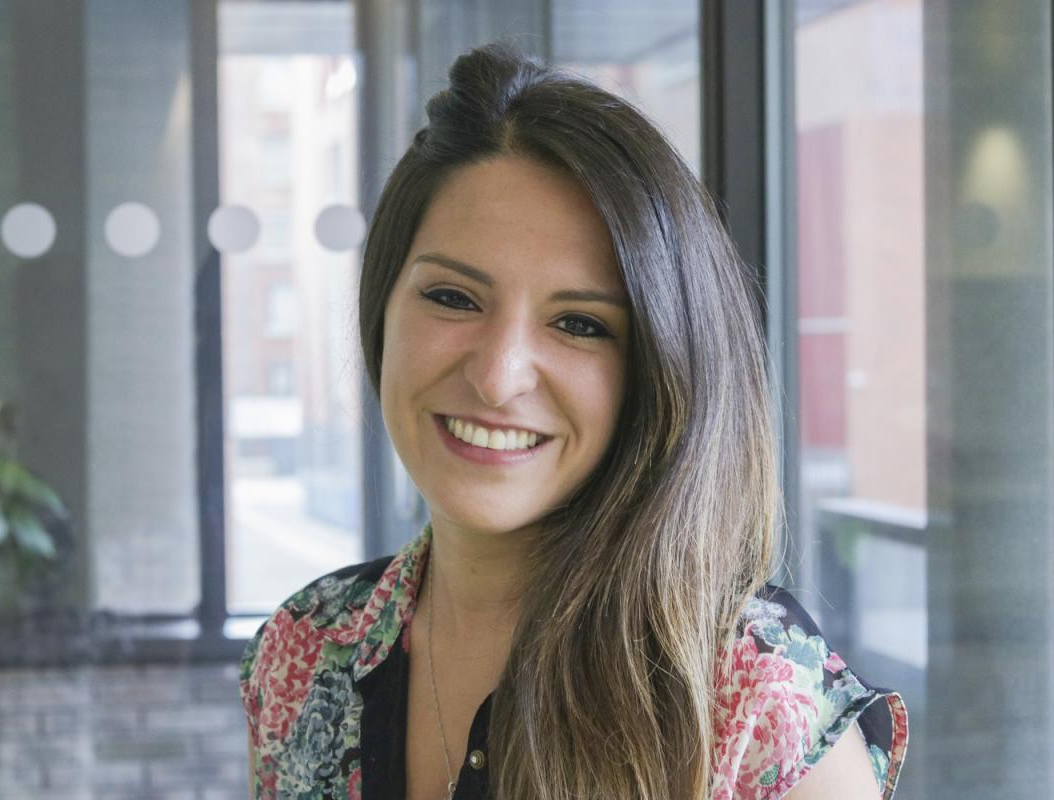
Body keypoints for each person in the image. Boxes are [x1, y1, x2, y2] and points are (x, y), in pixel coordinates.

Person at [239, 42, 908, 800]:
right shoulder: (304, 650)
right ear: (380, 312)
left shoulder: (752, 701)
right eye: (453, 298)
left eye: (580, 325)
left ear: (659, 370)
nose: (497, 377)